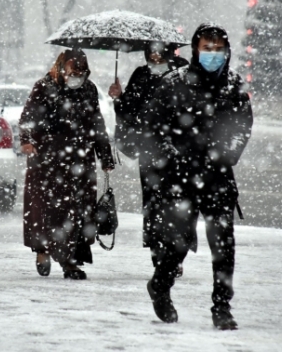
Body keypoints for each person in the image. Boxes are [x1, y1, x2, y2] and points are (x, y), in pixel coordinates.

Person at [142, 23, 253, 329]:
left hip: (218, 176)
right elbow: (153, 126)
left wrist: (227, 154)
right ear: (195, 50)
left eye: (218, 49)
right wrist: (171, 157)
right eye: (207, 48)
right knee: (178, 243)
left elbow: (242, 126)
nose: (213, 54)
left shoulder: (233, 84)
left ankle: (221, 307)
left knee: (223, 245)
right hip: (179, 177)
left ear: (226, 51)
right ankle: (160, 286)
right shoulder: (174, 82)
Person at [19, 48, 115, 280]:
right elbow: (28, 117)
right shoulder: (44, 87)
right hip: (48, 161)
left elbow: (97, 123)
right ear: (62, 67)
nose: (77, 75)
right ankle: (43, 249)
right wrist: (27, 140)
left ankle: (70, 261)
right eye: (74, 70)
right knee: (49, 211)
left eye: (82, 71)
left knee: (78, 211)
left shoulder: (89, 90)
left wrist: (105, 155)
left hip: (80, 159)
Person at [108, 42, 188, 276]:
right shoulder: (141, 75)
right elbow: (129, 112)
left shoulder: (182, 72)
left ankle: (176, 253)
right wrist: (119, 98)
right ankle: (158, 250)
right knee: (154, 203)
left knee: (178, 204)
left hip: (179, 151)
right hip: (150, 151)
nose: (154, 55)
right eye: (150, 51)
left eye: (158, 50)